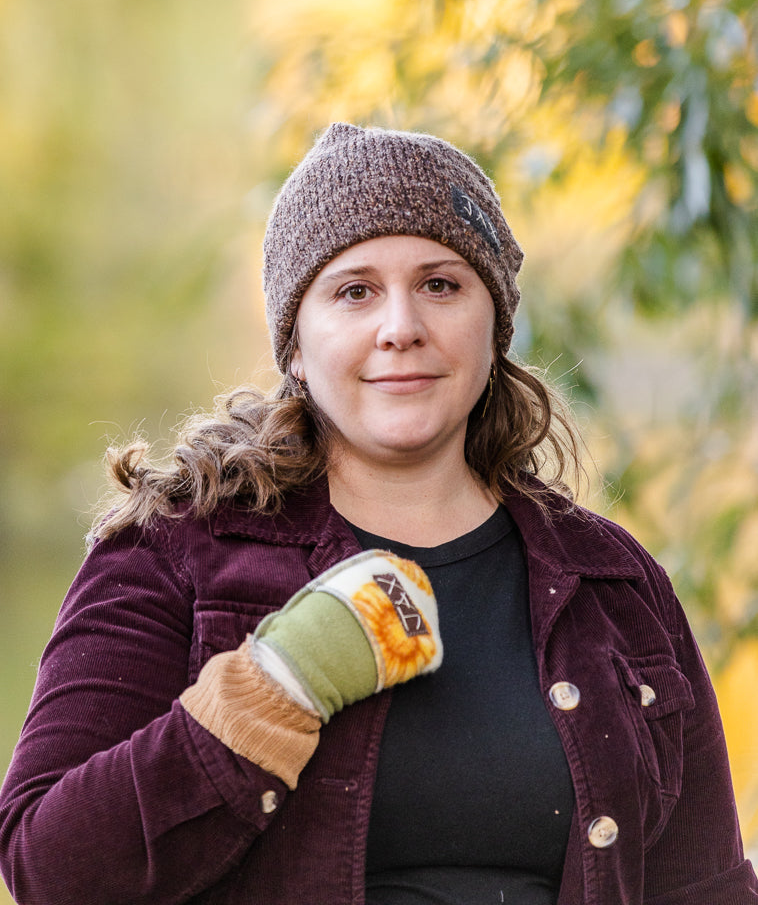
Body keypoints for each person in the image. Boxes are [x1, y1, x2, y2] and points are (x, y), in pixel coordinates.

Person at [0, 122, 755, 905]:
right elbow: (50, 871)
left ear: (494, 325)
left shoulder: (613, 585)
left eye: (440, 284)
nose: (401, 327)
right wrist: (275, 686)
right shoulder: (177, 553)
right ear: (295, 343)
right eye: (354, 291)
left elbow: (707, 889)